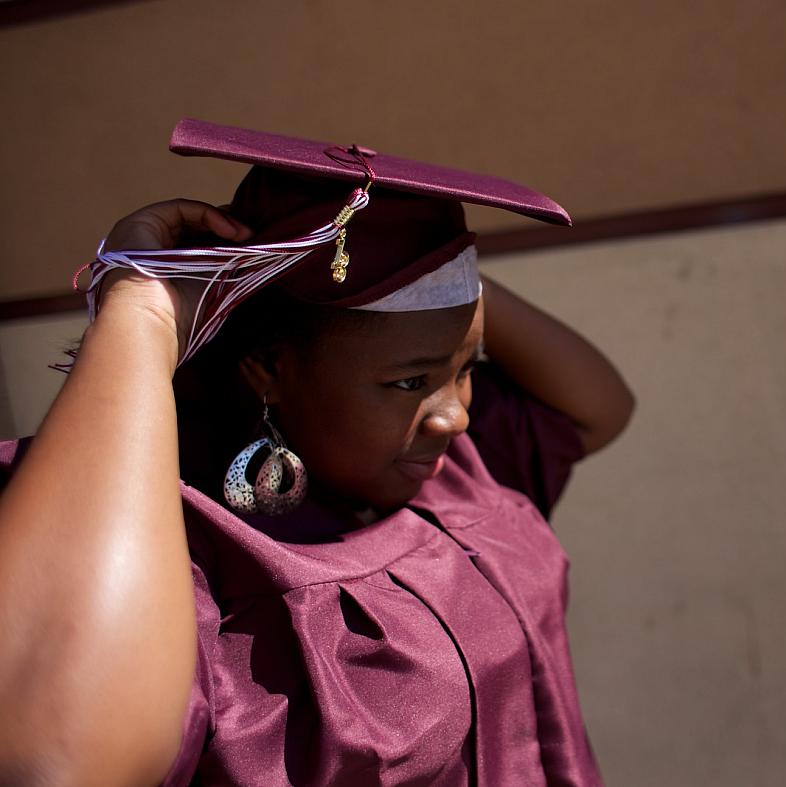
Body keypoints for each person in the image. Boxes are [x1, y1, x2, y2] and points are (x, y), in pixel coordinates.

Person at [0, 119, 633, 786]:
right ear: (269, 368)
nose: (456, 414)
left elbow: (598, 406)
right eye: (410, 381)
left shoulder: (454, 473)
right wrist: (143, 308)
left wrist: (420, 257)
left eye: (468, 366)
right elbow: (53, 755)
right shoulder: (175, 546)